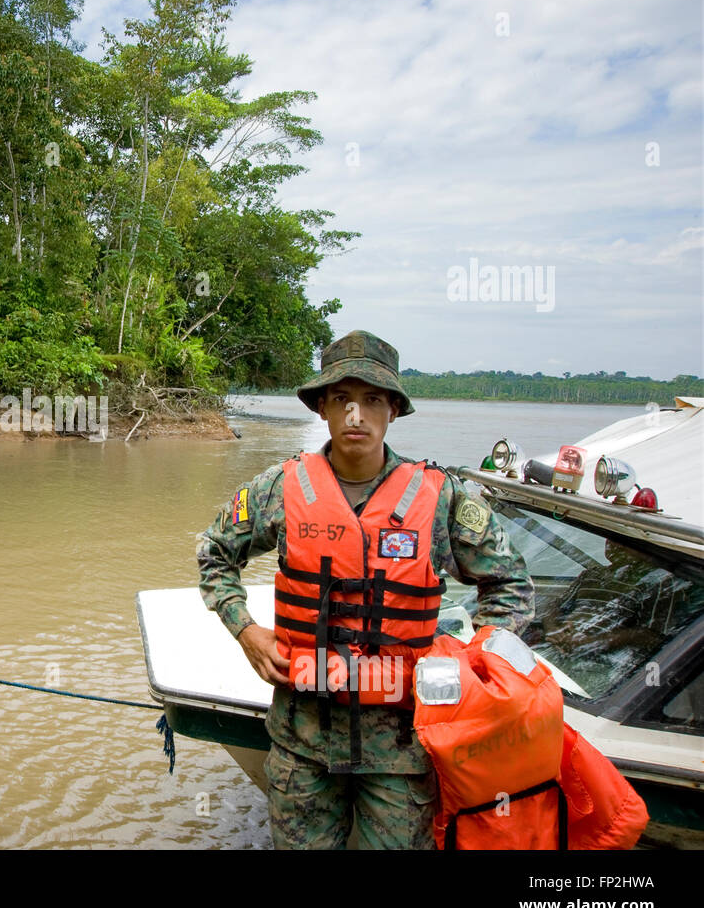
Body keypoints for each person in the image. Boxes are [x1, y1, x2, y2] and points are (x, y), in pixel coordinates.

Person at [195, 330, 534, 849]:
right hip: (302, 743)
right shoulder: (279, 488)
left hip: (402, 751)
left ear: (393, 410)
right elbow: (214, 553)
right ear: (323, 410)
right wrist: (245, 631)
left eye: (372, 400)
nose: (356, 415)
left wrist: (472, 663)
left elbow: (510, 583)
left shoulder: (440, 498)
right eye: (342, 400)